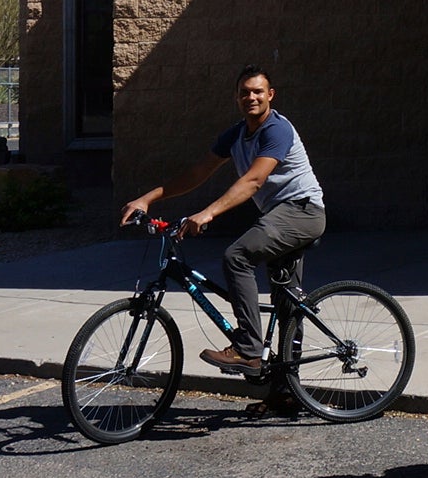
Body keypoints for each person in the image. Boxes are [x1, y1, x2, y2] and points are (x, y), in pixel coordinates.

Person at [119, 66, 326, 380]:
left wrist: (207, 213)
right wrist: (149, 198)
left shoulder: (277, 130)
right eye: (245, 92)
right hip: (279, 216)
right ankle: (286, 393)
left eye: (258, 91)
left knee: (236, 256)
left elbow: (254, 180)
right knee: (287, 305)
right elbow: (197, 173)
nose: (251, 97)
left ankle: (248, 350)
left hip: (302, 211)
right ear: (237, 97)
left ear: (271, 95)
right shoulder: (237, 134)